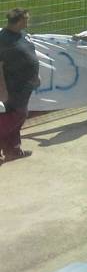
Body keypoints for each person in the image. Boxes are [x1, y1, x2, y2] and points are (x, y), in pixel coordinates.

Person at [0, 9, 39, 163]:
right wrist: (2, 88)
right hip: (13, 86)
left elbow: (30, 54)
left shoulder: (21, 34)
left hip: (26, 84)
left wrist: (36, 75)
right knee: (18, 115)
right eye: (26, 20)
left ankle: (13, 150)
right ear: (18, 21)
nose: (28, 22)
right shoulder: (3, 40)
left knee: (17, 118)